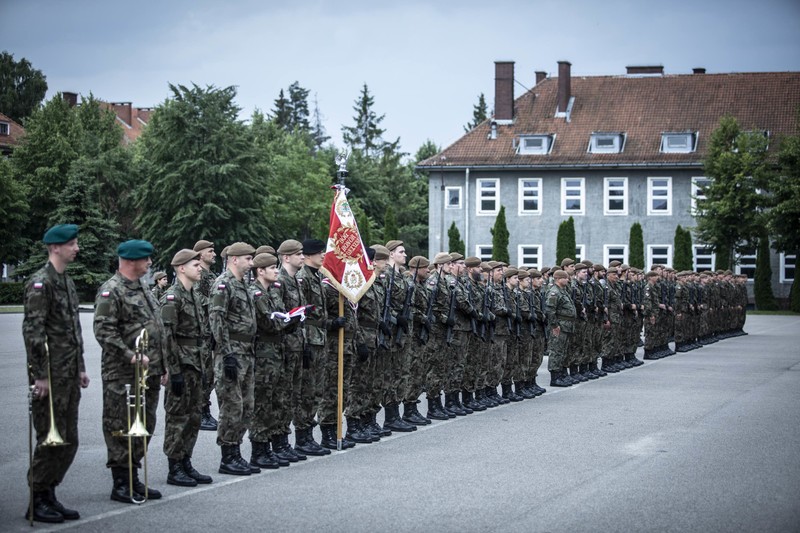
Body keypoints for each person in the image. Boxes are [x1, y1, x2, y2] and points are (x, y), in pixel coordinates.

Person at [22, 224, 89, 523]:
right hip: (49, 375)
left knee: (68, 438)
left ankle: (49, 492)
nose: (77, 248)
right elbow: (33, 332)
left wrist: (81, 367)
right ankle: (37, 498)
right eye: (72, 244)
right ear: (55, 248)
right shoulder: (41, 283)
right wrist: (40, 375)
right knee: (50, 437)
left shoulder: (66, 281)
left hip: (69, 372)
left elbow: (74, 331)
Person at [94, 239, 166, 503]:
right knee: (121, 426)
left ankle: (134, 476)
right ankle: (121, 482)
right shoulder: (111, 290)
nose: (150, 262)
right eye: (146, 258)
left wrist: (163, 366)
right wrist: (130, 355)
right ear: (131, 261)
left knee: (145, 425)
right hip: (123, 373)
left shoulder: (143, 287)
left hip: (149, 372)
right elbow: (104, 331)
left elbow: (156, 328)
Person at [160, 249, 213, 487]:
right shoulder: (173, 297)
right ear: (181, 268)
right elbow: (166, 337)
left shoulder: (194, 295)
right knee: (177, 416)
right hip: (181, 365)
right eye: (195, 265)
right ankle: (174, 466)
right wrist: (174, 371)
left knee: (193, 417)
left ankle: (185, 461)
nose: (200, 268)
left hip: (196, 364)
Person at [208, 242, 259, 475]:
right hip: (231, 353)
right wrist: (226, 353)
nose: (251, 263)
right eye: (248, 258)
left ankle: (236, 451)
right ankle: (228, 456)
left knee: (246, 406)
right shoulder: (223, 284)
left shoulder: (243, 284)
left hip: (246, 352)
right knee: (231, 406)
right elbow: (216, 320)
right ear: (234, 259)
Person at [193, 239, 219, 431]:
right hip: (202, 330)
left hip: (210, 330)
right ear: (200, 254)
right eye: (210, 251)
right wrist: (215, 303)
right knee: (204, 374)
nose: (214, 254)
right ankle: (201, 413)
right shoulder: (199, 274)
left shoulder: (211, 275)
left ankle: (204, 410)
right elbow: (196, 296)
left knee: (209, 374)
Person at [546, 269, 577, 387]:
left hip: (566, 326)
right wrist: (554, 325)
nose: (567, 280)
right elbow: (550, 310)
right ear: (558, 279)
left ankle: (561, 375)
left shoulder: (562, 291)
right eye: (565, 278)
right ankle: (555, 378)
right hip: (559, 326)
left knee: (563, 351)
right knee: (556, 351)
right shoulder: (554, 292)